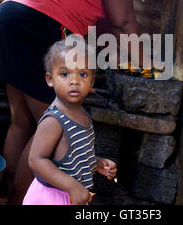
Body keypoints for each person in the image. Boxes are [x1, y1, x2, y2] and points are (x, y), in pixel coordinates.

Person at [0, 0, 161, 204]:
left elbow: (107, 26)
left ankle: (10, 196)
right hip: (38, 25)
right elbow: (123, 22)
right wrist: (152, 72)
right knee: (56, 128)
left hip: (11, 17)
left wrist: (125, 59)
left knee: (23, 122)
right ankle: (19, 200)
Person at [23, 39, 117, 205]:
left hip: (71, 196)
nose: (74, 81)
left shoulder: (83, 115)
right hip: (50, 197)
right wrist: (71, 185)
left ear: (92, 81)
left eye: (82, 74)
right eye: (65, 74)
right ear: (50, 79)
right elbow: (36, 160)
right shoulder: (54, 120)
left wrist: (96, 163)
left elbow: (72, 155)